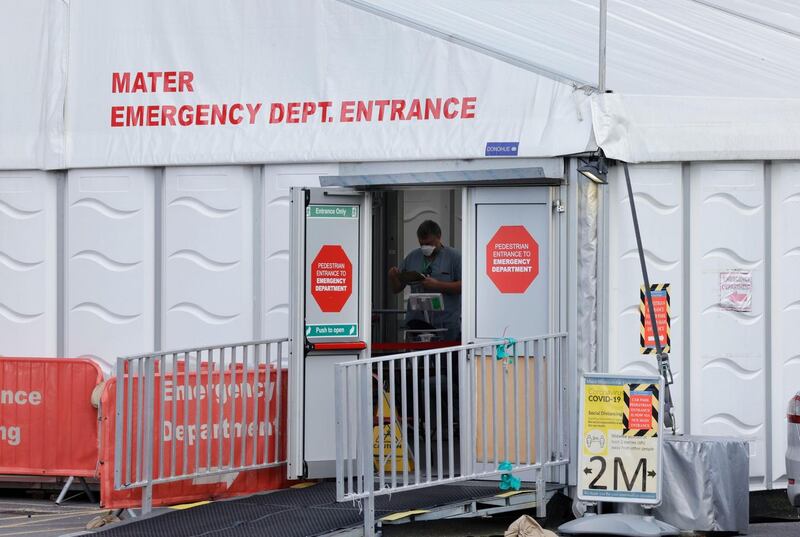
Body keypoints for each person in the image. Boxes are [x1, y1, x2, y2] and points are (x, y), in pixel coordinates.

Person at [388, 220, 461, 341]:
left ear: (439, 237)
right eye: (422, 244)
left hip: (446, 324)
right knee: (416, 359)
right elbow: (397, 289)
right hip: (417, 323)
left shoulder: (454, 257)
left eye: (429, 243)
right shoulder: (413, 257)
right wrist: (393, 277)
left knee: (445, 360)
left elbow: (465, 286)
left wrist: (438, 285)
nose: (425, 247)